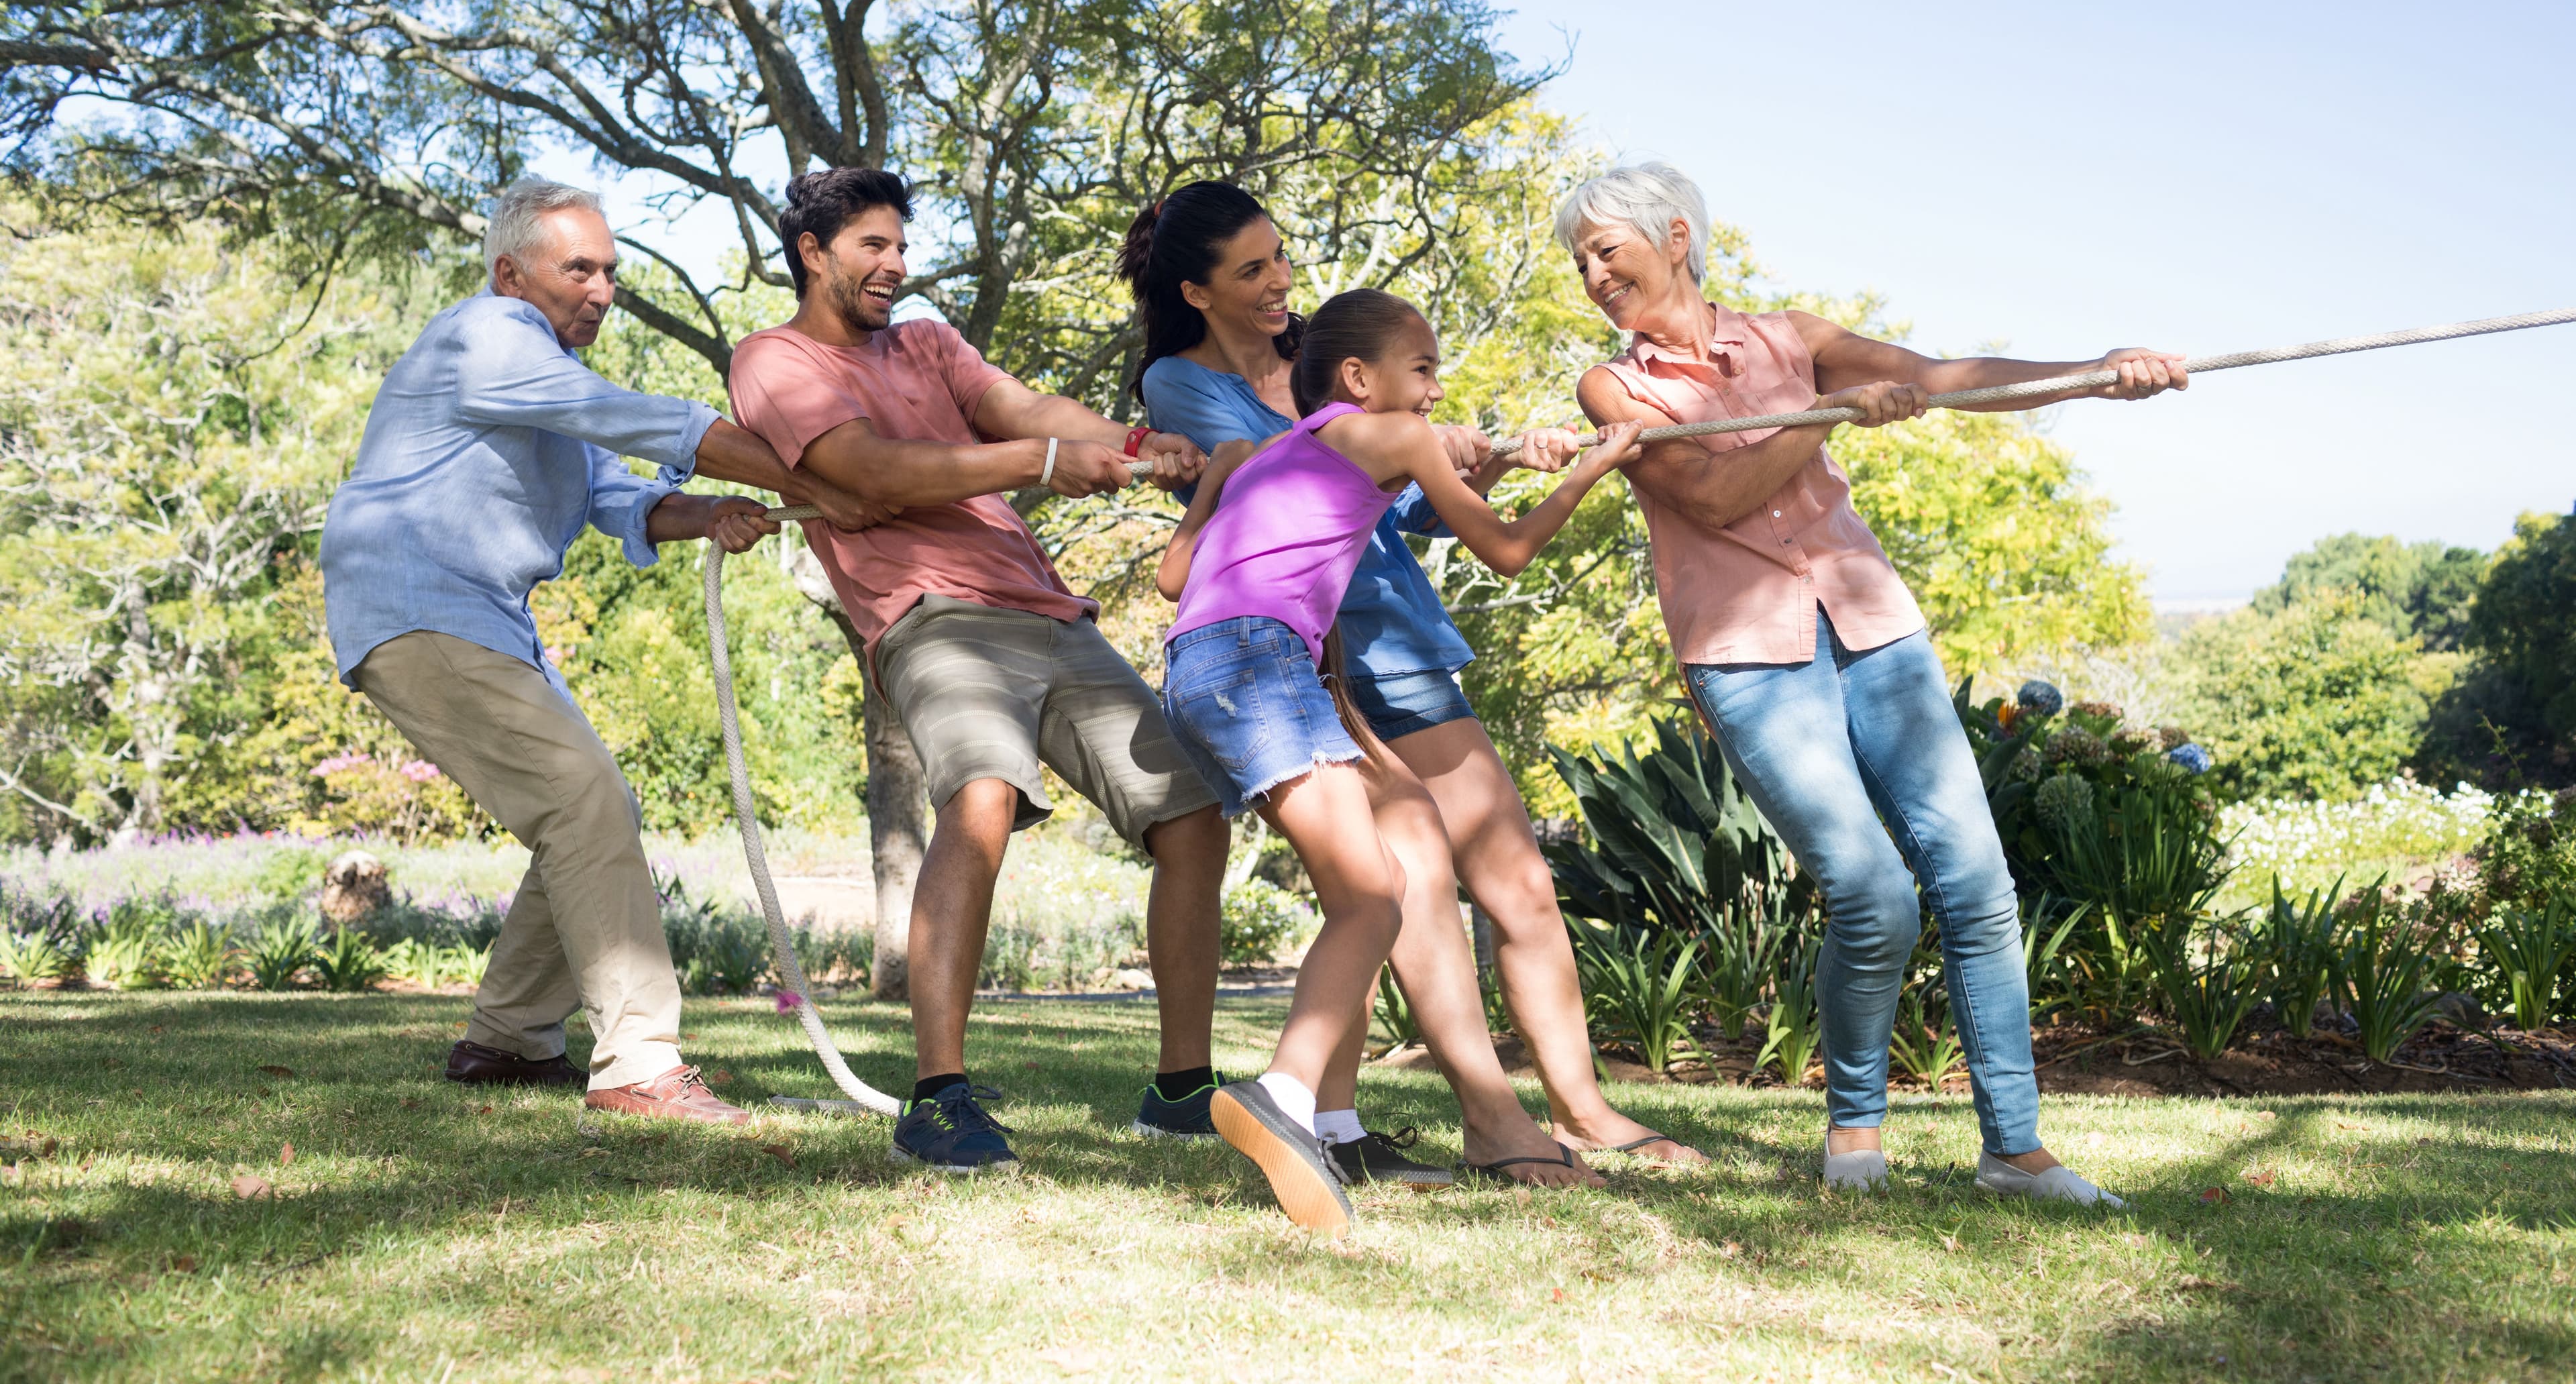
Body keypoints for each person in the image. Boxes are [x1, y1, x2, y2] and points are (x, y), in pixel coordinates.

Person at [1562, 162, 2184, 1208]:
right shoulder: (1616, 390)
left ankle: (2015, 1152)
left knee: (1977, 880)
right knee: (1872, 890)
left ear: (1674, 236)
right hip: (1749, 657)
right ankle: (1855, 1134)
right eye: (1579, 259)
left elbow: (1946, 376)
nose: (1591, 274)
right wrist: (1833, 413)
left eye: (1604, 249)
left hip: (1873, 627)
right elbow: (1714, 498)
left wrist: (2095, 371)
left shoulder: (1790, 336)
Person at [1121, 184, 1706, 1185]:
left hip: (1287, 652)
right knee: (1387, 885)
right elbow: (1487, 542)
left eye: (1279, 259)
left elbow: (1234, 545)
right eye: (1251, 269)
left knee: (1435, 873)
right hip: (1299, 659)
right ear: (1198, 290)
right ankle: (1317, 1103)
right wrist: (1573, 468)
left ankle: (1364, 1124)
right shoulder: (1194, 386)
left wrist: (1473, 460)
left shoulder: (1318, 411)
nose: (1278, 282)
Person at [323, 176, 879, 1123]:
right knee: (582, 802)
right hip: (419, 601)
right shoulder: (490, 335)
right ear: (510, 274)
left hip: (472, 617)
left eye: (611, 270)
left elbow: (612, 491)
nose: (603, 289)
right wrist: (822, 472)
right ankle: (639, 1067)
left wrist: (709, 513)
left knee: (591, 808)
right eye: (578, 268)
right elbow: (631, 419)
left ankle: (507, 1039)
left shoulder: (538, 384)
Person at [725, 166, 1228, 1175]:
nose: (895, 266)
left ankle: (1182, 1092)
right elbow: (873, 470)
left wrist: (1131, 441)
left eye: (901, 247)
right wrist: (1038, 463)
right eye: (872, 245)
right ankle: (938, 1098)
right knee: (983, 801)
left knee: (1193, 816)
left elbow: (1020, 403)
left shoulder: (926, 341)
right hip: (929, 615)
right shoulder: (771, 360)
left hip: (1046, 606)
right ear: (811, 252)